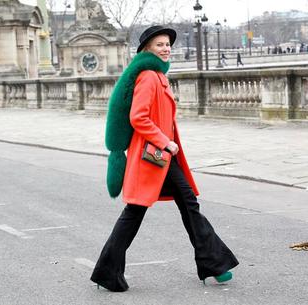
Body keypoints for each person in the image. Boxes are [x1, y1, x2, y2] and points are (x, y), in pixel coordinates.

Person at [90, 25, 239, 292]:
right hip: (154, 155)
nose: (165, 48)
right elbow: (139, 118)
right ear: (147, 48)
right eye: (159, 44)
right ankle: (107, 271)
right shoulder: (148, 77)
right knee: (141, 211)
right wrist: (165, 142)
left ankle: (213, 264)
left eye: (167, 44)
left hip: (160, 157)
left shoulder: (157, 75)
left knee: (185, 205)